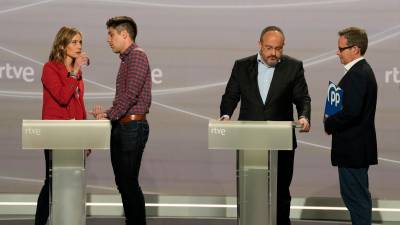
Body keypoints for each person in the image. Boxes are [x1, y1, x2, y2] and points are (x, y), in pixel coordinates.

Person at [219, 26, 311, 225]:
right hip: (250, 140)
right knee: (250, 190)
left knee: (281, 192)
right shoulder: (242, 66)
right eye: (269, 48)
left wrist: (304, 116)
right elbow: (230, 96)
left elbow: (302, 98)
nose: (273, 53)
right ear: (259, 44)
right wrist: (226, 115)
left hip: (282, 140)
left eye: (278, 48)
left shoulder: (293, 67)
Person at [91, 16, 151, 225]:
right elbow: (125, 99)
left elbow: (131, 95)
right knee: (123, 183)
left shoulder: (137, 57)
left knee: (128, 183)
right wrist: (107, 113)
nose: (108, 39)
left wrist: (108, 114)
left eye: (111, 34)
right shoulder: (128, 59)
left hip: (132, 126)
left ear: (125, 34)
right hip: (123, 125)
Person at [35, 26, 89, 225]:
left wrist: (87, 137)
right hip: (55, 133)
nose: (79, 46)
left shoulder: (76, 73)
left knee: (73, 182)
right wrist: (74, 73)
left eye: (80, 42)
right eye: (74, 42)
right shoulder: (50, 68)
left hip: (75, 135)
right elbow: (62, 97)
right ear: (62, 44)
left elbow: (78, 104)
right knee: (52, 181)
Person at [324, 27, 377, 225]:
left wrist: (329, 123)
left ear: (355, 49)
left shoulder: (358, 74)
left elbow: (351, 112)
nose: (338, 52)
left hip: (353, 149)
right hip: (355, 149)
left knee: (356, 200)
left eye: (341, 48)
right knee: (356, 199)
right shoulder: (361, 71)